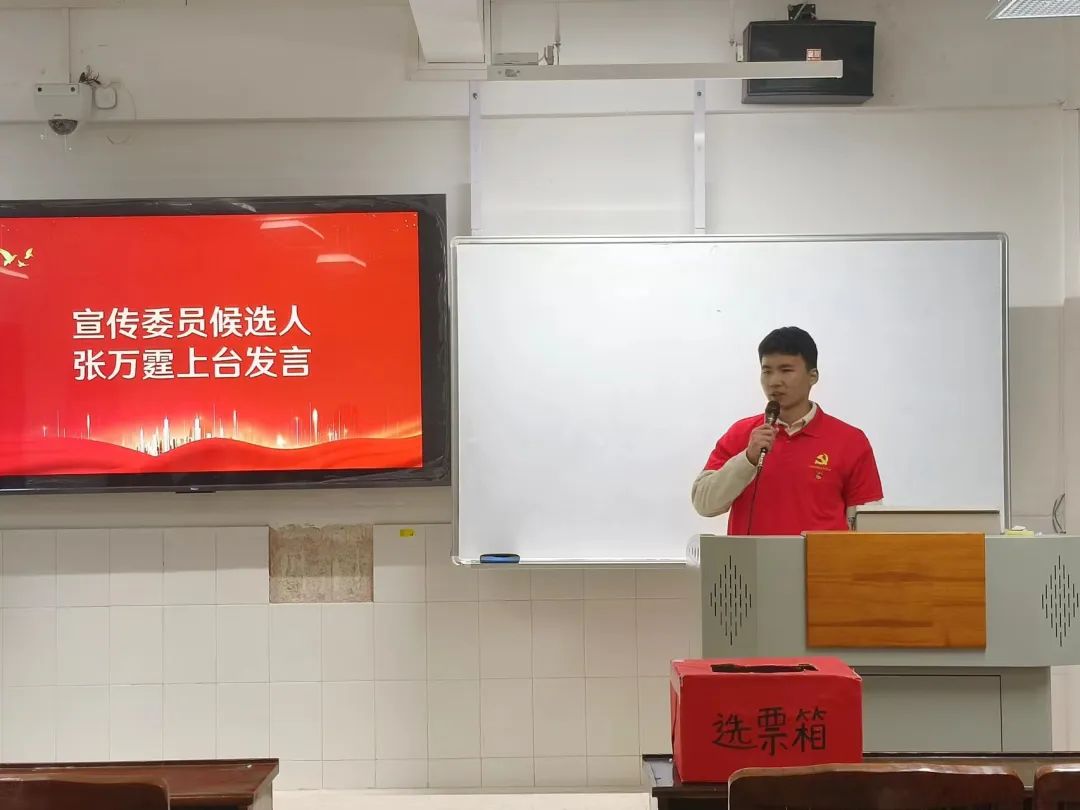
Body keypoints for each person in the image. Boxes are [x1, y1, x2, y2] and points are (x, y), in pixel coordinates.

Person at [691, 326, 883, 535]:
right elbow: (704, 504)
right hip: (753, 556)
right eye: (767, 371)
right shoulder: (741, 434)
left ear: (813, 376)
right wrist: (747, 459)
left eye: (786, 370)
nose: (774, 382)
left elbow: (867, 525)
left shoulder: (850, 440)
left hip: (822, 557)